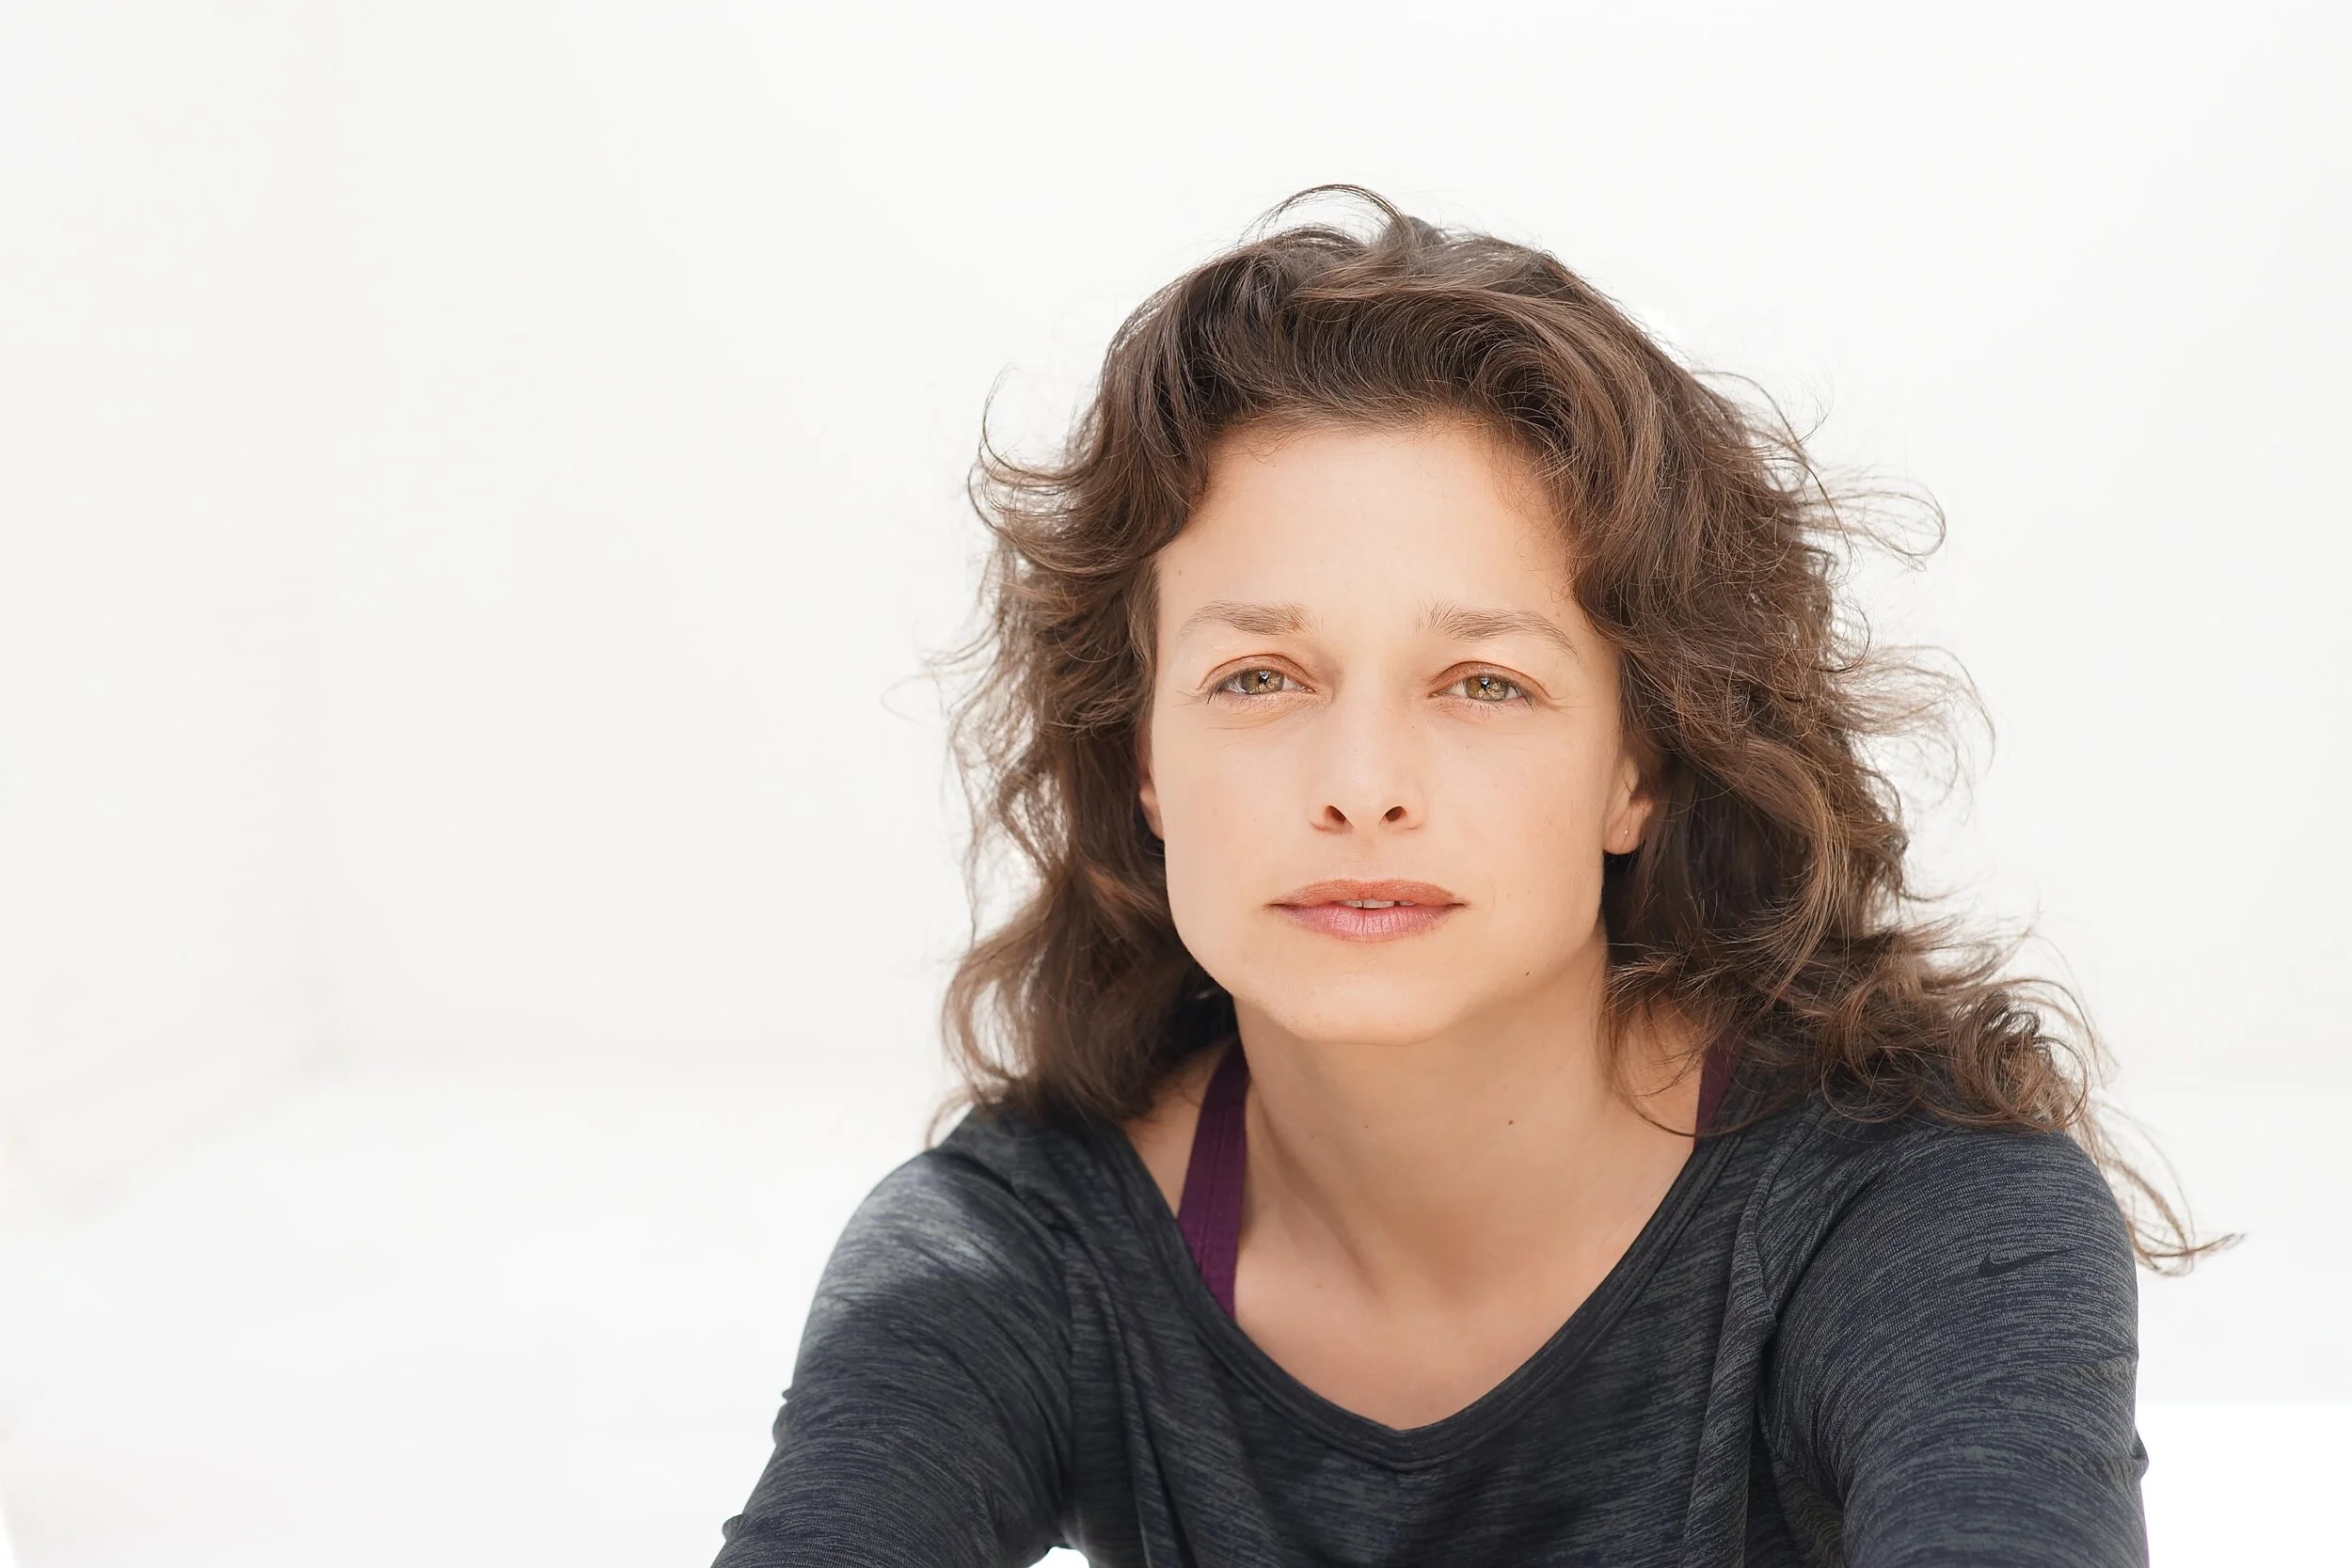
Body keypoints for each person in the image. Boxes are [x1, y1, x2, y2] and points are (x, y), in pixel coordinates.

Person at [711, 188, 2199, 1565]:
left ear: (1643, 764)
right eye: (1259, 677)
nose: (1364, 783)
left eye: (1483, 682)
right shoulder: (1012, 1251)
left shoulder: (1930, 1221)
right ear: (1143, 757)